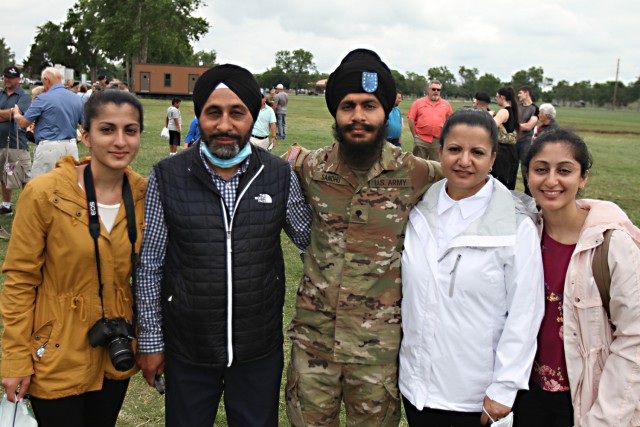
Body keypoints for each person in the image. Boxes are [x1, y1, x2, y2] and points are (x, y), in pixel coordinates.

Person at [135, 64, 312, 427]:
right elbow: (150, 263)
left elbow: (311, 240)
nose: (225, 124)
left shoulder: (277, 175)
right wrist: (151, 340)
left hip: (257, 349)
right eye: (213, 113)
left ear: (254, 116)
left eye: (237, 113)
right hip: (188, 347)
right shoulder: (167, 175)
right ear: (199, 116)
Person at [285, 48, 442, 426]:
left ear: (386, 111)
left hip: (378, 346)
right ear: (335, 113)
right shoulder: (310, 167)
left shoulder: (418, 172)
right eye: (348, 106)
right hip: (314, 339)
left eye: (369, 106)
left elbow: (477, 187)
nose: (358, 116)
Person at [0, 90, 147, 426]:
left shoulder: (143, 194)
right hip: (55, 350)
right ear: (85, 135)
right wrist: (14, 360)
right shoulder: (45, 193)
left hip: (116, 348)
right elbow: (20, 282)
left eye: (131, 130)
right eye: (107, 130)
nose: (120, 141)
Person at [399, 108, 545, 427]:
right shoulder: (417, 209)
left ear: (492, 159)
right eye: (454, 149)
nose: (465, 161)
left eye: (477, 152)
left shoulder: (514, 225)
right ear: (440, 153)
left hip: (474, 399)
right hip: (416, 390)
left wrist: (504, 389)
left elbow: (525, 313)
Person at [513, 128, 640, 427]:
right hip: (524, 397)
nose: (551, 180)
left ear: (583, 178)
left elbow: (634, 338)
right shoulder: (521, 237)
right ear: (528, 176)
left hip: (587, 402)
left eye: (565, 170)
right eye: (541, 169)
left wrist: (605, 417)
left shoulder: (612, 244)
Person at [12, 67, 84, 178]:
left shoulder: (43, 98)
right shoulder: (76, 98)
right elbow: (84, 123)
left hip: (49, 147)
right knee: (69, 186)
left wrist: (16, 114)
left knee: (41, 187)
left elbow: (23, 123)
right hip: (71, 146)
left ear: (47, 80)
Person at [0, 66, 32, 230]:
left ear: (19, 79)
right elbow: (10, 114)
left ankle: (27, 209)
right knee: (4, 176)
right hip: (0, 144)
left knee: (24, 177)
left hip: (16, 143)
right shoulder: (1, 93)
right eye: (6, 76)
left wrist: (9, 113)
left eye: (11, 77)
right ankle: (6, 205)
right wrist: (10, 112)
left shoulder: (24, 96)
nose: (7, 79)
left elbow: (20, 116)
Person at [408, 79, 454, 161]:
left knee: (436, 166)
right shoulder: (418, 102)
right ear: (428, 90)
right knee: (418, 165)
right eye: (433, 89)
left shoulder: (446, 104)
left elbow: (451, 121)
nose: (436, 91)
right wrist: (415, 135)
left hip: (438, 141)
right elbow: (411, 119)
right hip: (421, 139)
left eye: (438, 90)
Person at [491, 86, 520, 190]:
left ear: (502, 97)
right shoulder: (513, 111)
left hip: (502, 152)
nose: (496, 99)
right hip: (511, 152)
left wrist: (489, 115)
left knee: (499, 182)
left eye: (497, 97)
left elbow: (491, 125)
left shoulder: (503, 112)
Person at [516, 86, 539, 195]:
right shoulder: (517, 107)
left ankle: (529, 193)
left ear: (526, 93)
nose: (518, 95)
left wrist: (515, 125)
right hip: (513, 142)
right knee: (511, 167)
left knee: (525, 168)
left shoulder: (534, 109)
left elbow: (529, 126)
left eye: (520, 93)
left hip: (525, 143)